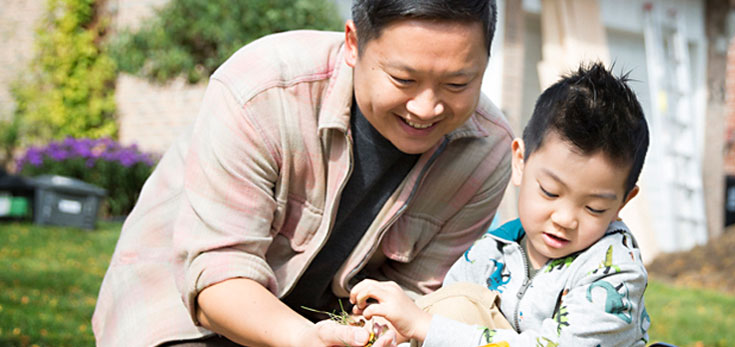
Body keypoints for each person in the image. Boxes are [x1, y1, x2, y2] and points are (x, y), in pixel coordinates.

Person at [91, 0, 513, 346]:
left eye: (457, 85)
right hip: (184, 314)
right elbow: (217, 276)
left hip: (327, 329)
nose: (426, 107)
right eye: (403, 79)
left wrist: (372, 333)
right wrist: (305, 340)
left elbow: (417, 293)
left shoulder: (487, 152)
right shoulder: (262, 91)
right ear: (353, 43)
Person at [348, 62, 652, 346]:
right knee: (454, 305)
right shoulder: (493, 251)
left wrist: (426, 326)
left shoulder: (614, 272)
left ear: (624, 202)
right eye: (549, 191)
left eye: (593, 208)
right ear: (519, 162)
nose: (564, 219)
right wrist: (398, 327)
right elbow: (443, 313)